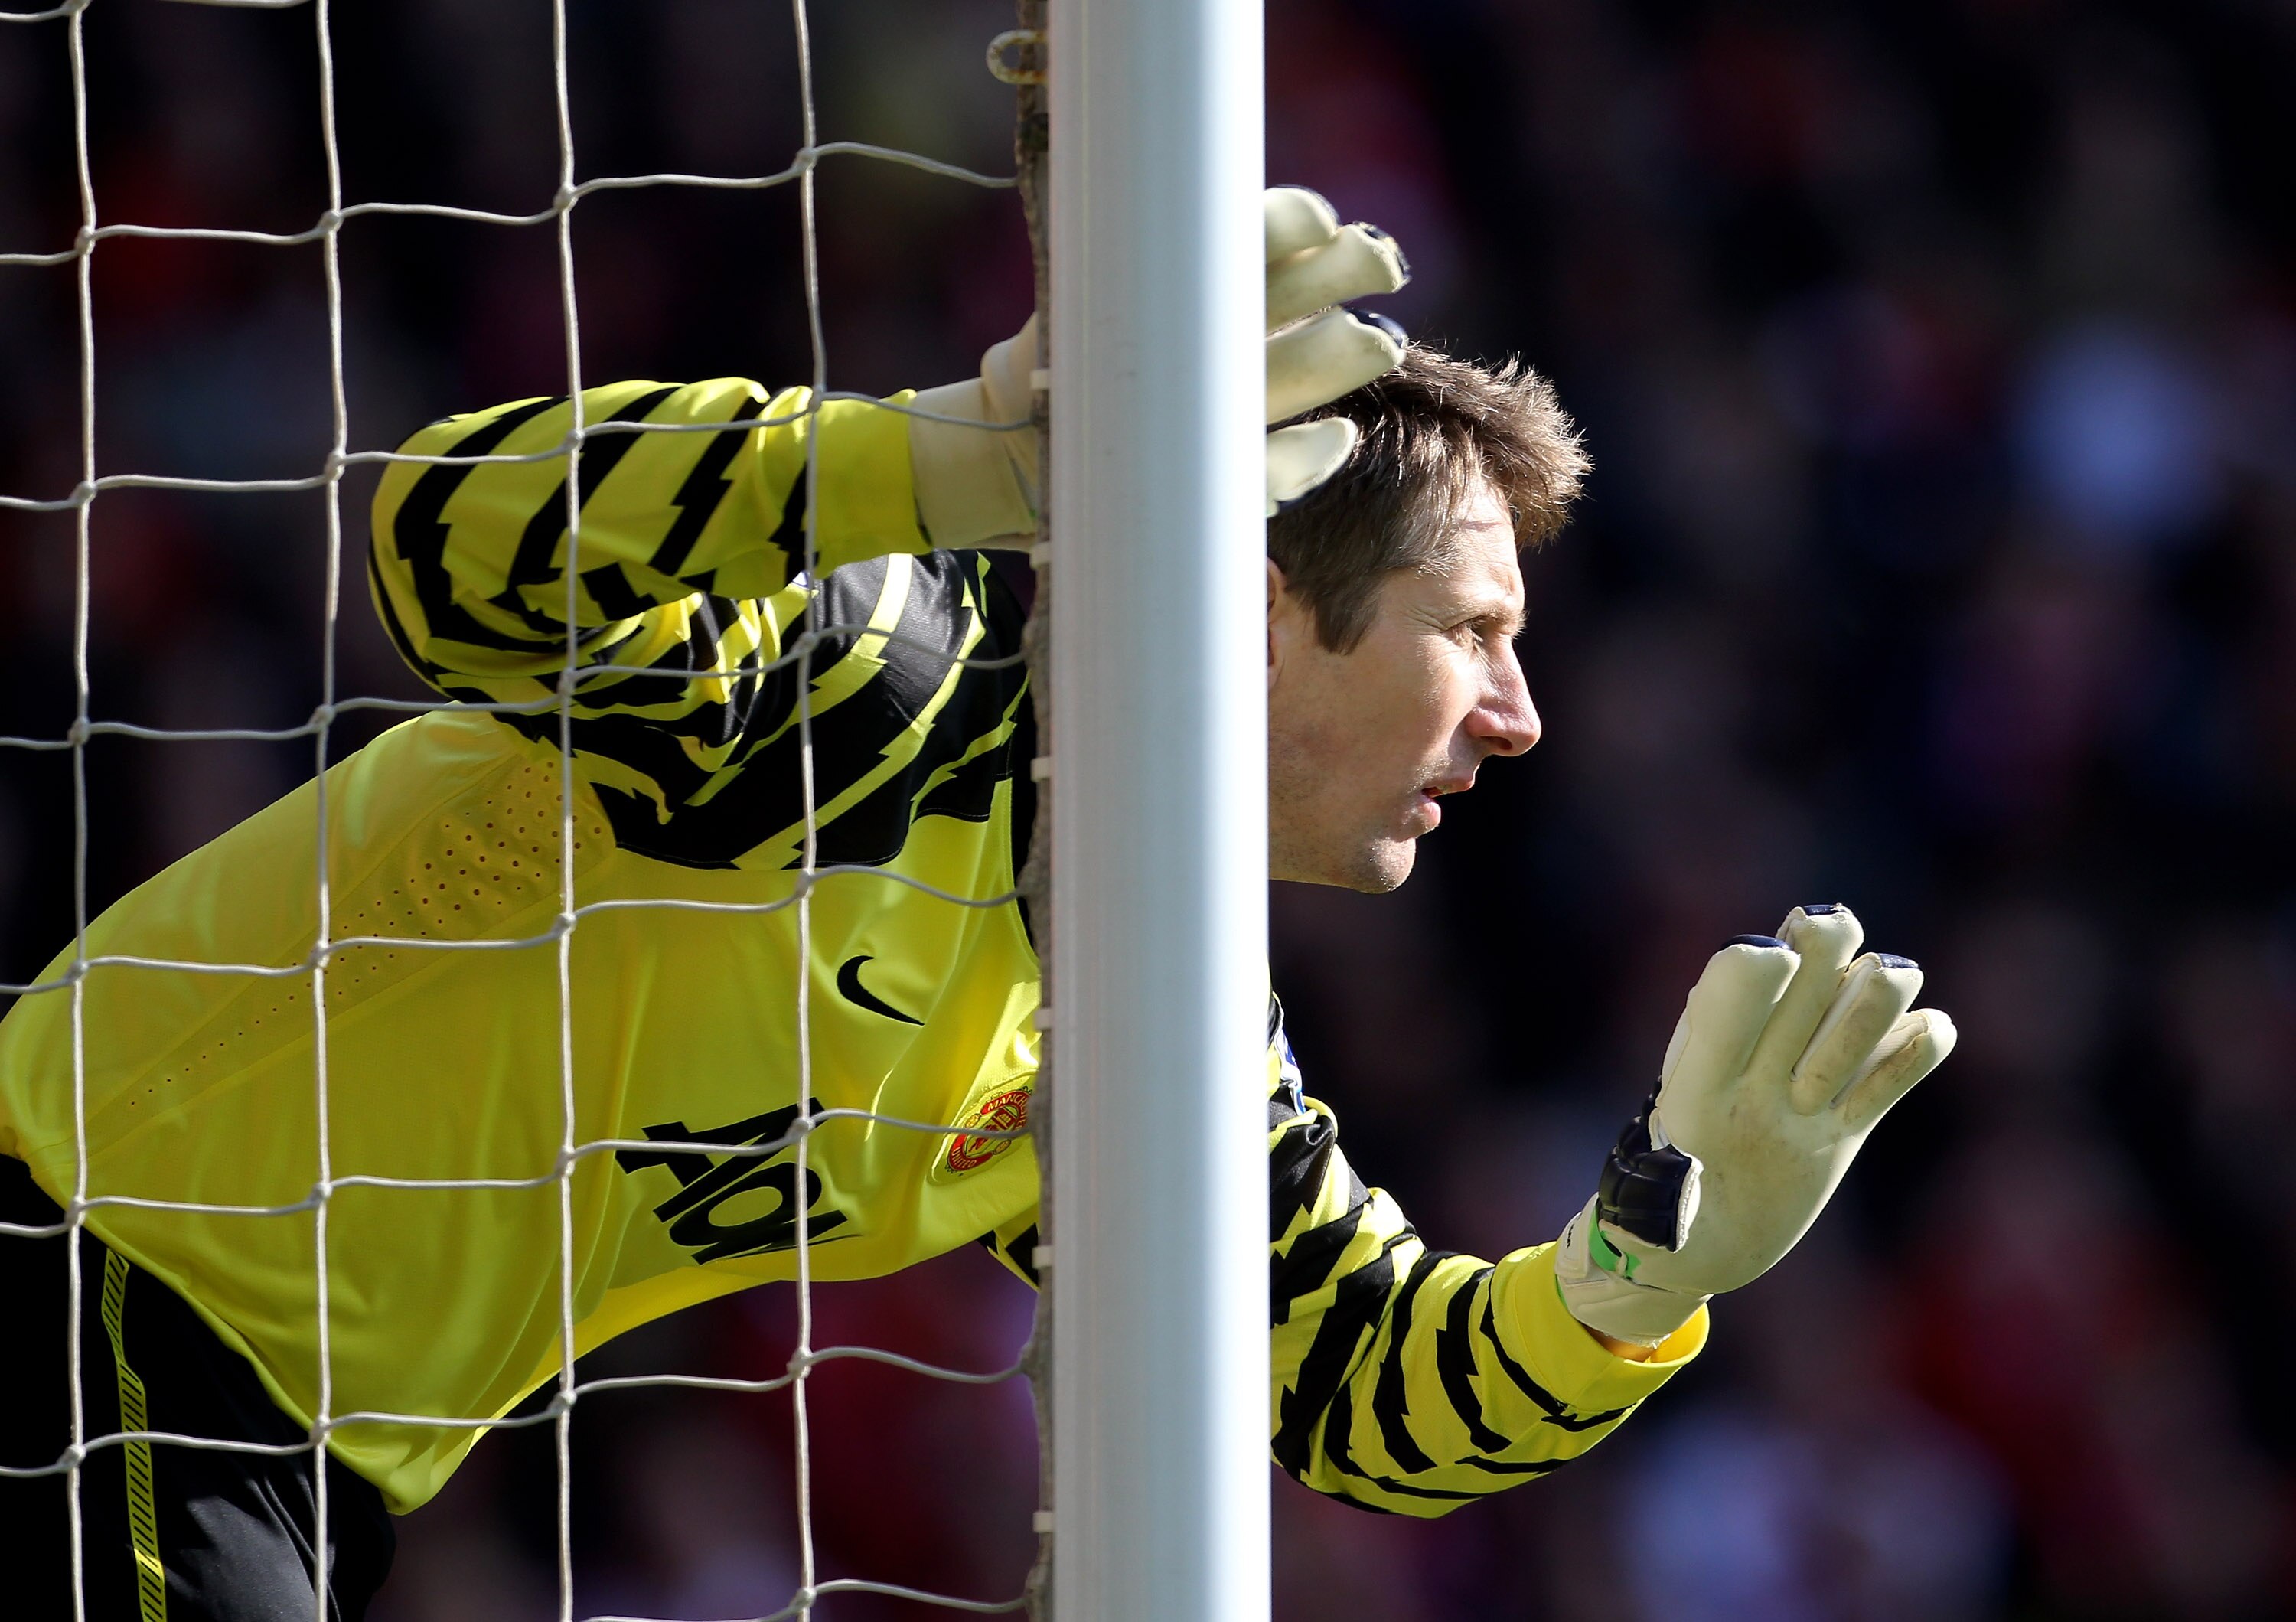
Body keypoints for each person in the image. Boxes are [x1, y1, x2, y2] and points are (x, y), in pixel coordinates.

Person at [0, 189, 1952, 1618]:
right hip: (86, 1268)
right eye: (1474, 629)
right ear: (1266, 614)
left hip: (297, 1455)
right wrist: (962, 458)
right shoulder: (881, 680)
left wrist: (1650, 1263)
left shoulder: (1147, 985)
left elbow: (1359, 1385)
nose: (1523, 716)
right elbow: (446, 535)